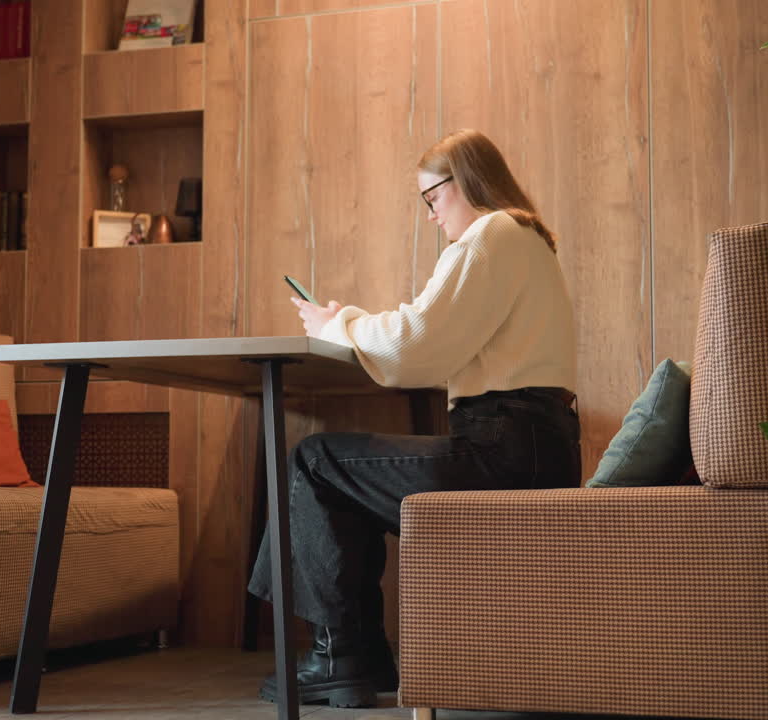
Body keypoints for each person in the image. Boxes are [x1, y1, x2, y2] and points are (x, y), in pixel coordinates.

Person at [248, 128, 581, 708]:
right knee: (337, 473)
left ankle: (342, 657)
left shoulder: (492, 233)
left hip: (503, 449)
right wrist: (346, 322)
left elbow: (412, 346)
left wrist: (336, 327)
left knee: (314, 459)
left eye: (433, 198)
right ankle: (356, 657)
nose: (431, 216)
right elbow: (431, 340)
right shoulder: (523, 239)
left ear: (466, 181)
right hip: (530, 444)